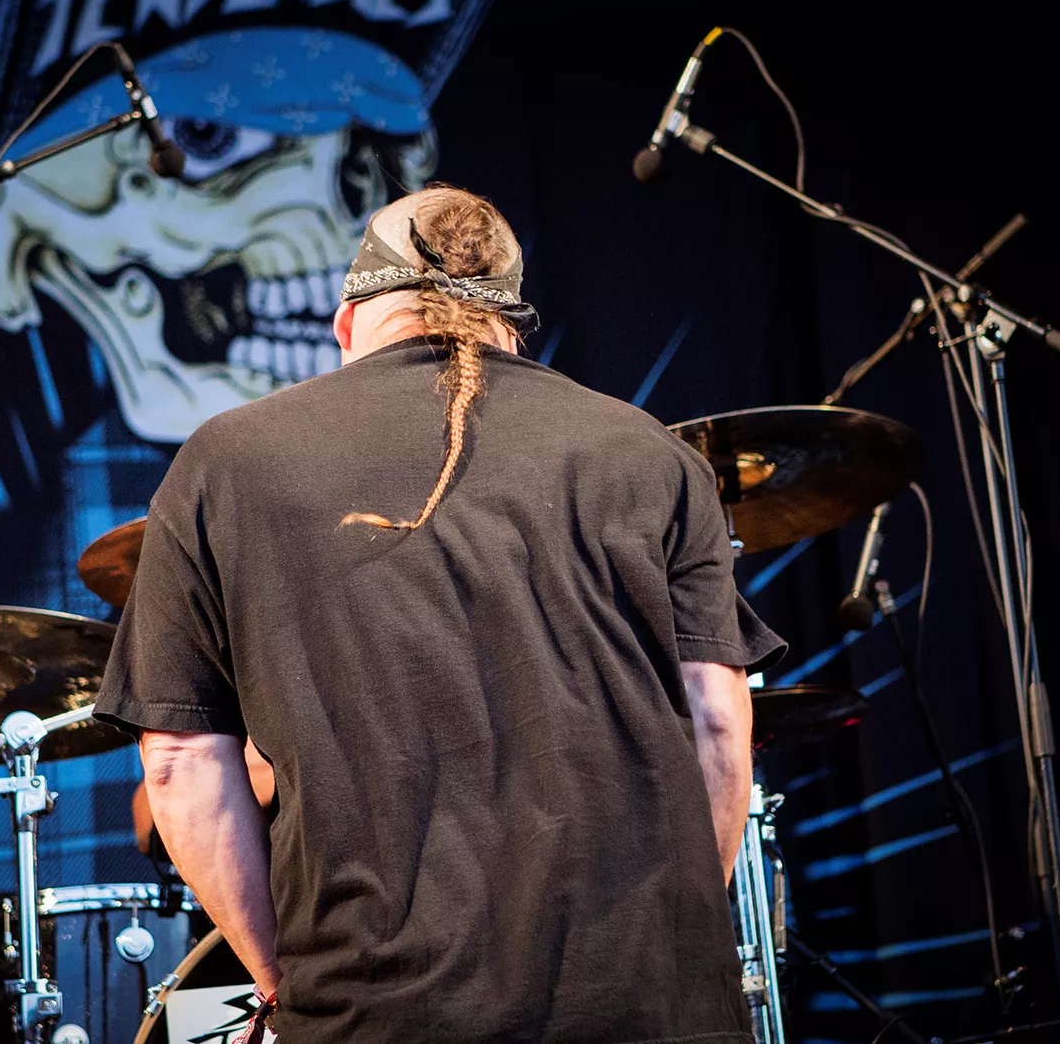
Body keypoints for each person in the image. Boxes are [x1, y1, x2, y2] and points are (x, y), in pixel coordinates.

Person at [92, 183, 786, 1043]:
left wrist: (284, 983)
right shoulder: (652, 454)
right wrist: (672, 945)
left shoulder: (224, 464)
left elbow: (178, 765)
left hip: (374, 1015)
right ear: (511, 328)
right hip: (657, 1009)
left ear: (348, 322)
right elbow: (717, 721)